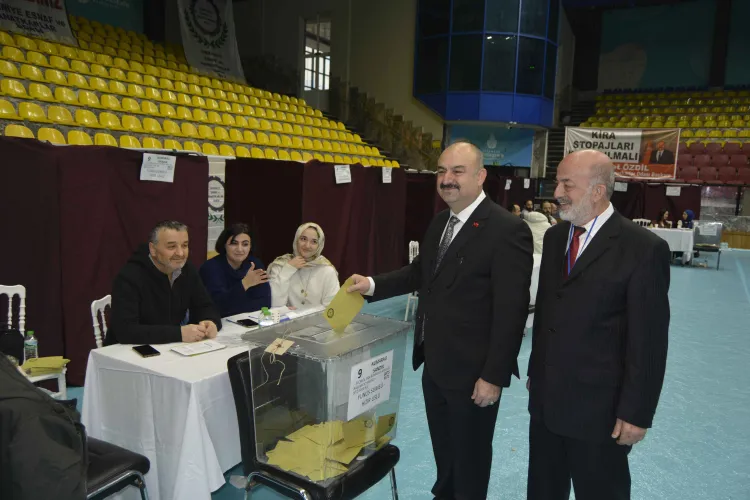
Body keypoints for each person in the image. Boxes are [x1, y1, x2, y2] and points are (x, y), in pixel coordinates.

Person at [347, 142, 533, 500]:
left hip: (475, 373)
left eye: (457, 171)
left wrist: (493, 376)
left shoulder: (506, 229)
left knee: (470, 457)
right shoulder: (441, 222)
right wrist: (371, 284)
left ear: (480, 176)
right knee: (445, 450)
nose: (447, 179)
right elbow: (420, 273)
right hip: (435, 365)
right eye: (441, 171)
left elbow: (512, 311)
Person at [527, 150, 670, 500]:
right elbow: (547, 311)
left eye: (567, 185)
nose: (556, 193)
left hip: (600, 413)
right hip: (546, 404)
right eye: (558, 182)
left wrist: (636, 412)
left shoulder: (643, 248)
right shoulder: (556, 238)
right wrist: (536, 370)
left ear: (597, 191)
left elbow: (648, 341)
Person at [107, 220, 222, 345]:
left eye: (184, 245)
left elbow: (205, 305)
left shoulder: (187, 269)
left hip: (168, 346)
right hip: (125, 350)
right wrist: (179, 334)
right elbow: (125, 331)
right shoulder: (129, 277)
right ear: (153, 249)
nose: (180, 253)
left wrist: (211, 322)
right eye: (171, 247)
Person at [199, 223, 271, 317]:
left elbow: (265, 303)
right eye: (234, 243)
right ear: (224, 245)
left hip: (249, 320)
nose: (239, 249)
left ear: (250, 246)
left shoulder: (255, 264)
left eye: (245, 244)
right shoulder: (210, 268)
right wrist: (245, 283)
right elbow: (218, 307)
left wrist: (235, 306)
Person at [267, 222, 340, 308]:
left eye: (314, 242)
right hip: (287, 317)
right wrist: (288, 269)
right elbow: (274, 303)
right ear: (296, 240)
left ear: (319, 245)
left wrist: (303, 313)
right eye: (303, 239)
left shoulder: (327, 270)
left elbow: (332, 307)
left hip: (318, 317)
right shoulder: (280, 265)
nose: (307, 245)